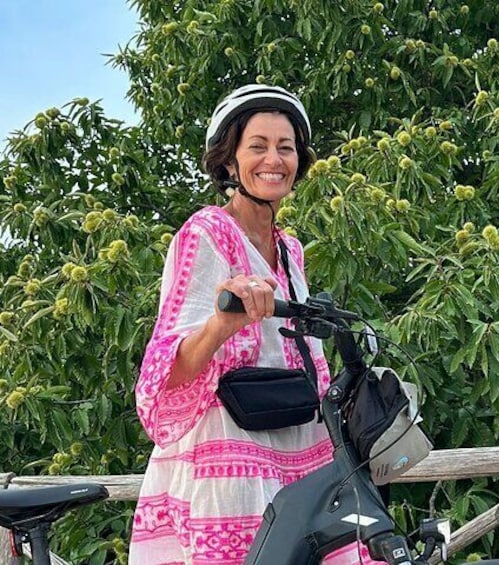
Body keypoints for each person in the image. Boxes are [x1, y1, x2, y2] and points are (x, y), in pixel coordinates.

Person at [129, 84, 378, 564]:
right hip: (231, 455)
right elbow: (166, 373)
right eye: (257, 146)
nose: (274, 159)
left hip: (300, 445)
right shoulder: (205, 234)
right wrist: (223, 322)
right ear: (230, 162)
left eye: (285, 147)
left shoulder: (291, 250)